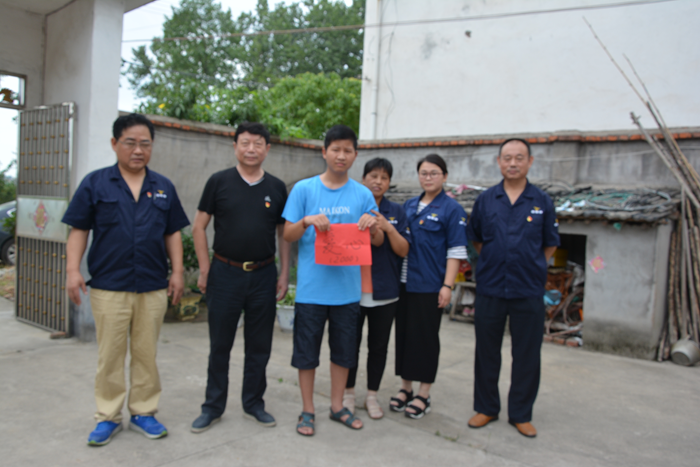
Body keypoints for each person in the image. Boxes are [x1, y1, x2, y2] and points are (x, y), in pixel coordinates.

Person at [63, 113, 190, 446]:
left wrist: (177, 273)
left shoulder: (162, 187)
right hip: (109, 286)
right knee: (110, 356)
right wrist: (73, 271)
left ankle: (143, 412)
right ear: (114, 143)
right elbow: (79, 229)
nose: (138, 150)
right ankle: (107, 416)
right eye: (130, 143)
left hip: (152, 285)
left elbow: (173, 232)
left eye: (145, 144)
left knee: (146, 354)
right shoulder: (96, 183)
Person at [190, 122, 290, 433]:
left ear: (267, 149)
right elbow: (198, 227)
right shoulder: (218, 182)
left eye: (258, 143)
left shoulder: (277, 187)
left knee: (259, 346)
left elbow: (283, 234)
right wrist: (205, 269)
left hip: (263, 275)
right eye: (245, 143)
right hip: (225, 274)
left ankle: (254, 403)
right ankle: (212, 407)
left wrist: (284, 273)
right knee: (220, 345)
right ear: (235, 146)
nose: (251, 149)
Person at [282, 124, 382, 436]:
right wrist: (306, 221)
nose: (341, 155)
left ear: (355, 155)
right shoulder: (304, 190)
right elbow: (287, 234)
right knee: (306, 355)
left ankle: (338, 406)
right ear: (324, 152)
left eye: (347, 150)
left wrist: (373, 226)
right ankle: (308, 409)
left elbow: (378, 240)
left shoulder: (363, 194)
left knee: (343, 354)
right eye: (335, 149)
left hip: (347, 293)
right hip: (311, 292)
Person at [466, 138, 559, 438]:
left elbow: (549, 245)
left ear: (530, 162)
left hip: (528, 290)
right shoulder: (486, 200)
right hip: (491, 287)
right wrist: (497, 260)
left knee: (527, 354)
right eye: (507, 158)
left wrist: (530, 264)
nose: (513, 163)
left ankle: (521, 413)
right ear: (498, 162)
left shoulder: (542, 201)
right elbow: (476, 239)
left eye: (519, 157)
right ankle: (486, 408)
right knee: (487, 352)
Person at [391, 153, 468, 419]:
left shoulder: (452, 209)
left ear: (444, 176)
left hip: (430, 284)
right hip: (403, 283)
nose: (428, 177)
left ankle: (424, 393)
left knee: (425, 339)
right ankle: (406, 388)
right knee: (404, 336)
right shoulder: (409, 205)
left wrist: (447, 286)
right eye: (423, 173)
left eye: (434, 173)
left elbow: (456, 251)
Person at [343, 158, 409, 420]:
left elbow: (403, 250)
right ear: (363, 179)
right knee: (350, 345)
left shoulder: (397, 211)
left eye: (384, 177)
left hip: (385, 292)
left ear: (389, 182)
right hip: (351, 290)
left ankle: (372, 395)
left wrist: (388, 228)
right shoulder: (350, 206)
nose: (378, 182)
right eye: (373, 176)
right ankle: (348, 393)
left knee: (378, 347)